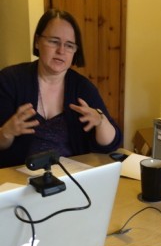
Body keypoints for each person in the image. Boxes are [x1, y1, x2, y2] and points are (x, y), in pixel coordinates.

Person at [0, 9, 122, 168]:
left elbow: (112, 145)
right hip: (17, 181)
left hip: (72, 180)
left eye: (69, 45)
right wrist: (6, 132)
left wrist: (100, 121)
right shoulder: (10, 80)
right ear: (37, 41)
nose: (61, 51)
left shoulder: (83, 88)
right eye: (53, 41)